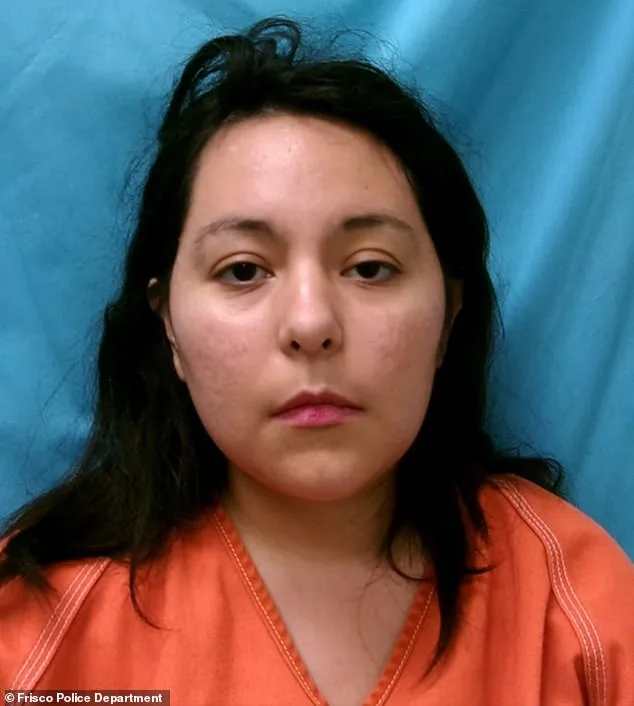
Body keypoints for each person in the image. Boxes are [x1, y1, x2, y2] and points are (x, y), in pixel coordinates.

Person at [0, 16, 632, 706]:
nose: (310, 324)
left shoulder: (576, 606)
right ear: (169, 326)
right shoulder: (35, 628)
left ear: (450, 314)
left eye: (369, 267)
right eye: (243, 270)